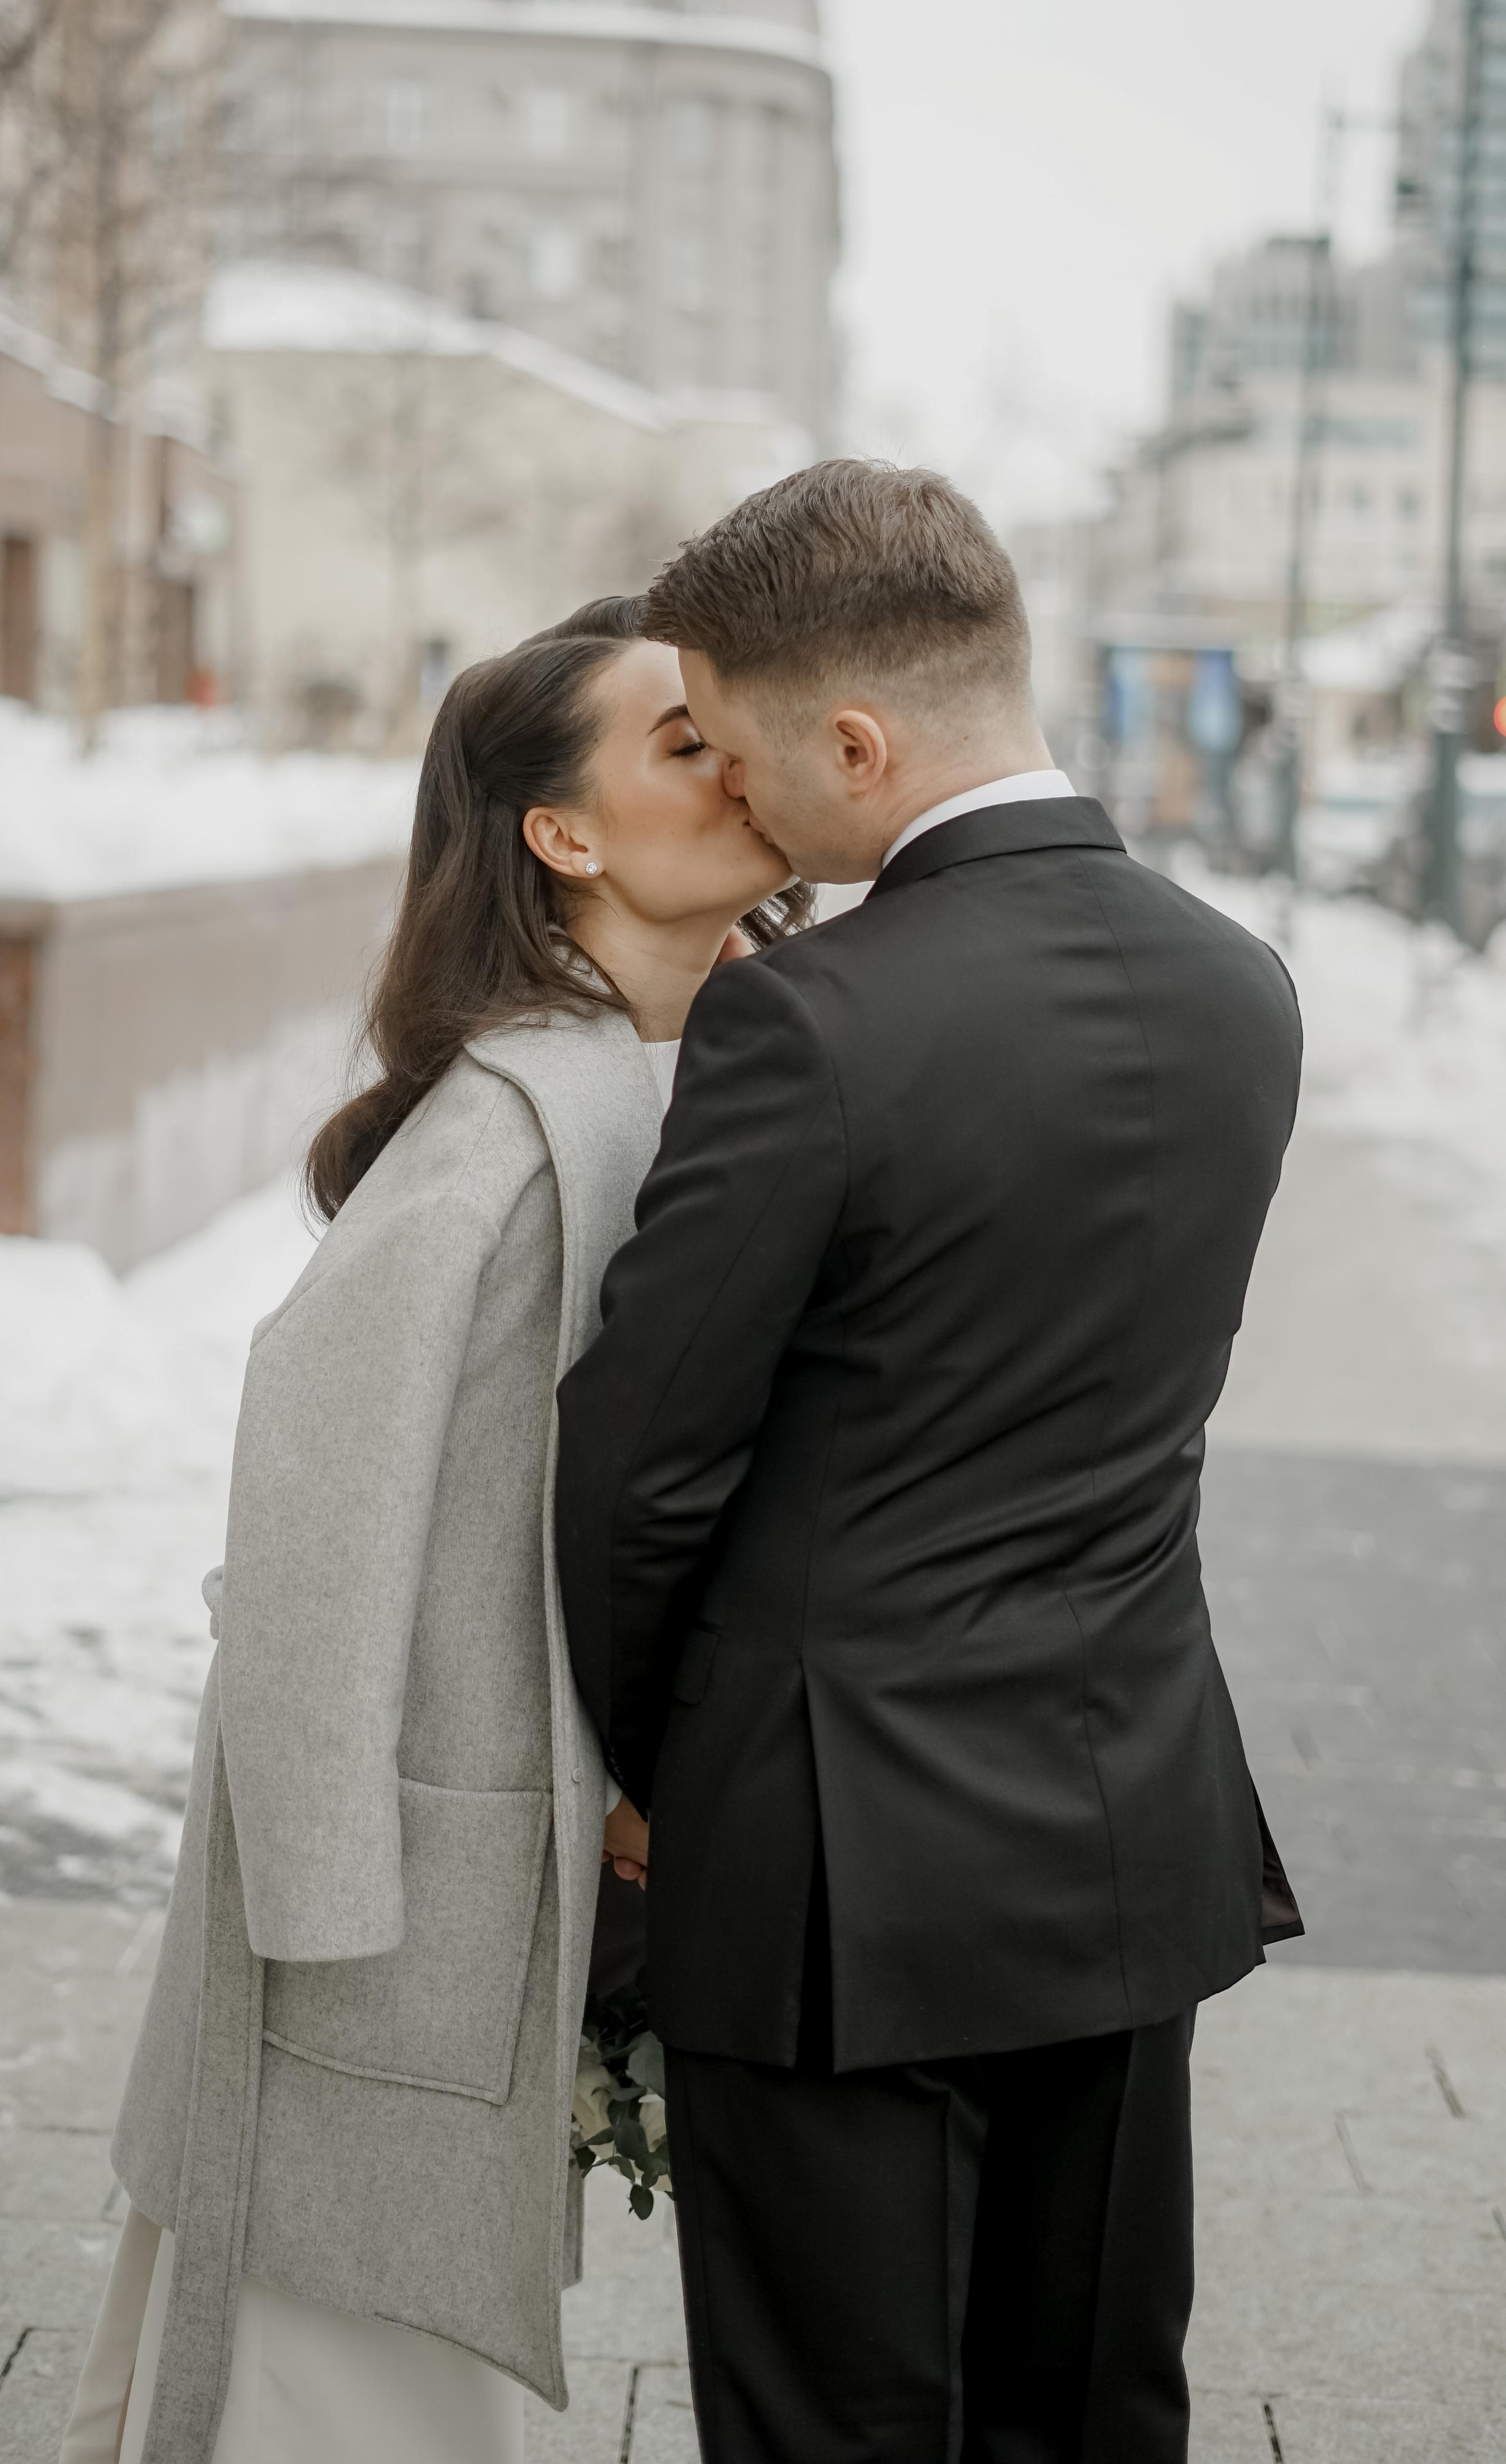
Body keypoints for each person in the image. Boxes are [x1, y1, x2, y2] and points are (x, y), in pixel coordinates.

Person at [555, 463, 1305, 2464]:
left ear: (860, 741)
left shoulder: (807, 1025)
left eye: (729, 743)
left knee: (837, 2424)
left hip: (827, 1871)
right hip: (1131, 1829)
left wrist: (648, 1773)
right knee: (1087, 2409)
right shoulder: (1247, 989)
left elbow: (641, 1475)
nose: (735, 798)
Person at [57, 595, 803, 2464]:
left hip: (477, 1885)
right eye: (680, 744)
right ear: (563, 833)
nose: (736, 767)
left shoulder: (673, 1075)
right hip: (389, 1910)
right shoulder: (509, 1132)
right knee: (339, 2377)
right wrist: (323, 1929)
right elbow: (313, 1523)